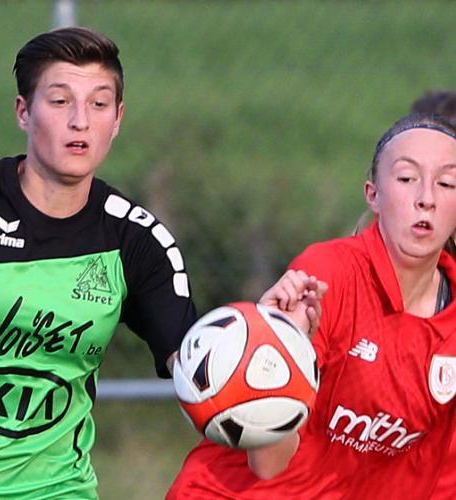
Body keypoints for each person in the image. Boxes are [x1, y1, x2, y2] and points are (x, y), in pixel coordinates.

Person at [0, 27, 200, 499]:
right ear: (24, 112)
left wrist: (265, 334)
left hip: (56, 489)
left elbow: (196, 363)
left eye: (99, 104)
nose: (80, 122)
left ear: (118, 119)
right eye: (61, 101)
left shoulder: (135, 239)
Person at [167, 113, 456, 499]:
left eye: (447, 182)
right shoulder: (328, 276)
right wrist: (285, 356)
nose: (427, 198)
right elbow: (269, 466)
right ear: (373, 194)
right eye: (406, 178)